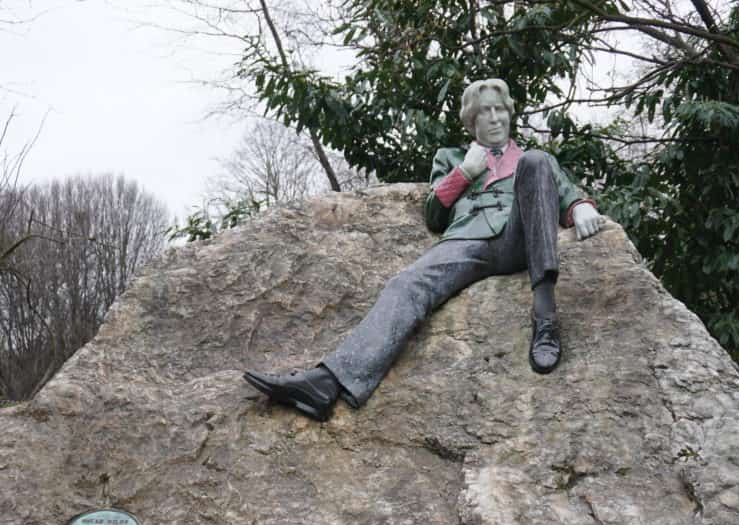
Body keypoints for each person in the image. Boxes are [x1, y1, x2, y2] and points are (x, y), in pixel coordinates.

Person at [243, 78, 609, 421]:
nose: (495, 118)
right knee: (406, 284)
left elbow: (561, 192)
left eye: (500, 110)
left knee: (538, 160)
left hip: (518, 238)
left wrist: (580, 207)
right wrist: (465, 171)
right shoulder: (451, 158)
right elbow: (435, 215)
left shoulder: (532, 161)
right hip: (467, 243)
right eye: (485, 112)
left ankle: (545, 319)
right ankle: (328, 385)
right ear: (471, 121)